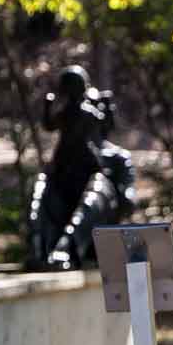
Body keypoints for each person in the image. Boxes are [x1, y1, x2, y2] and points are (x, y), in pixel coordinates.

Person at [28, 66, 136, 269]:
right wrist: (47, 106)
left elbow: (127, 196)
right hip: (63, 192)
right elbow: (49, 124)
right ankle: (39, 248)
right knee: (42, 187)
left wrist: (126, 196)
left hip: (100, 222)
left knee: (95, 191)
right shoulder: (66, 121)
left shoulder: (117, 156)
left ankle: (68, 247)